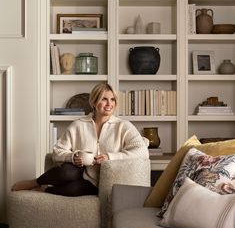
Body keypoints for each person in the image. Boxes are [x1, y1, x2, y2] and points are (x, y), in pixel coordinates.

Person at [11, 83, 149, 196]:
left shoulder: (123, 126)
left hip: (100, 182)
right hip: (80, 171)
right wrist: (73, 156)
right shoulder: (78, 125)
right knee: (66, 171)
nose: (109, 104)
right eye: (104, 99)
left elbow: (142, 152)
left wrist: (110, 157)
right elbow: (57, 151)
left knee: (74, 189)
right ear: (94, 102)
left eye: (112, 99)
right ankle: (35, 182)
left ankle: (45, 190)